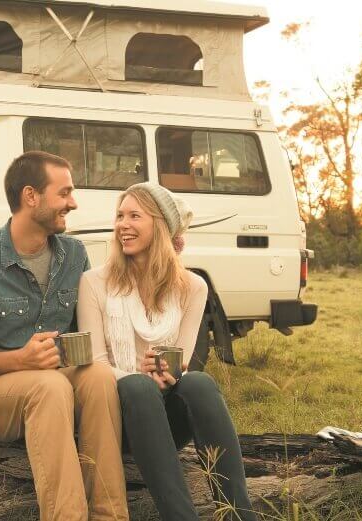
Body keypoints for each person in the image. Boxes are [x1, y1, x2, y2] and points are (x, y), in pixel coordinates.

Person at [0, 151, 129, 521]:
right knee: (50, 386)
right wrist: (19, 360)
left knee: (99, 377)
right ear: (31, 196)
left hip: (55, 382)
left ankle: (111, 515)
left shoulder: (73, 254)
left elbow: (96, 322)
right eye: (64, 193)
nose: (73, 203)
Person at [77, 182, 257, 521]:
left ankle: (238, 514)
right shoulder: (94, 282)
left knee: (199, 383)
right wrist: (139, 377)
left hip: (165, 421)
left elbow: (181, 363)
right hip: (115, 421)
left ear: (160, 226)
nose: (122, 225)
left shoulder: (192, 286)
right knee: (137, 385)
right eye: (119, 216)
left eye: (134, 216)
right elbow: (96, 364)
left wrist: (167, 373)